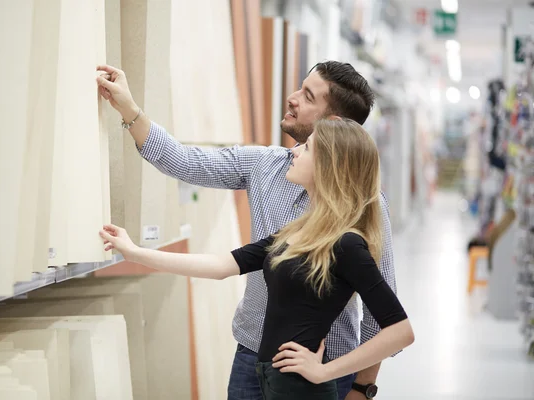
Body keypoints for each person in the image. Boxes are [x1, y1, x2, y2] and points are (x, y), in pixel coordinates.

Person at [96, 61, 398, 400]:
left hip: (324, 364)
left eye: (308, 96)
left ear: (333, 125)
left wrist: (360, 389)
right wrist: (128, 108)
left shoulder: (364, 211)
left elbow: (381, 318)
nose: (292, 98)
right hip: (253, 357)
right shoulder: (266, 168)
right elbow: (185, 163)